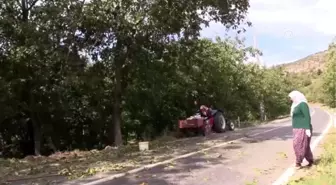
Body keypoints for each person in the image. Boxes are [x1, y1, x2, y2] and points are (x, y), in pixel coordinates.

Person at [288, 90, 314, 169]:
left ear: (296, 97)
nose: (290, 99)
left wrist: (307, 129)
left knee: (298, 145)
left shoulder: (303, 104)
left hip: (303, 128)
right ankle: (310, 160)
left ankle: (298, 162)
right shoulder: (295, 105)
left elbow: (307, 117)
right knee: (304, 146)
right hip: (296, 128)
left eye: (291, 98)